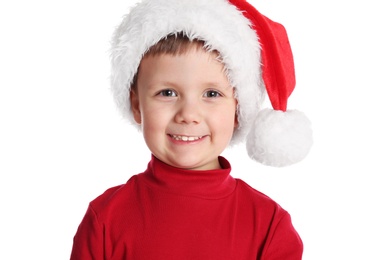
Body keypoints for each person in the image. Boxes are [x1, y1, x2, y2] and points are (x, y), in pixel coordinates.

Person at [70, 0, 313, 259]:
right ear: (136, 104)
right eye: (167, 92)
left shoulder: (269, 226)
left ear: (237, 110)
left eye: (211, 93)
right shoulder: (105, 218)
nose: (188, 115)